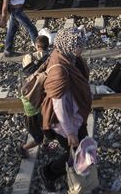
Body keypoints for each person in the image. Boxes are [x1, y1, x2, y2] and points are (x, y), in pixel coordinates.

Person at [38, 28, 92, 191]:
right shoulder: (60, 71)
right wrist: (70, 132)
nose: (82, 48)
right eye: (79, 46)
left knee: (81, 148)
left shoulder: (66, 57)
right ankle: (48, 173)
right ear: (69, 46)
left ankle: (62, 170)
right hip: (64, 123)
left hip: (75, 117)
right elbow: (58, 105)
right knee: (77, 153)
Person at [19, 35, 50, 159]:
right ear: (48, 46)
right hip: (44, 98)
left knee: (39, 128)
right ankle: (24, 148)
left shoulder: (27, 57)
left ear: (36, 46)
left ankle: (43, 145)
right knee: (48, 126)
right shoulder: (50, 58)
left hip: (29, 99)